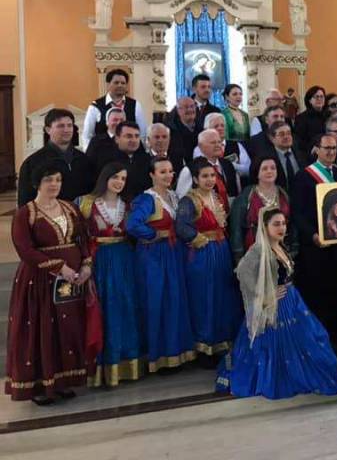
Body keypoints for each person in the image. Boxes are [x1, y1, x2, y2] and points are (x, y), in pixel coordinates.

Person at [216, 208, 337, 399]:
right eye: (276, 224)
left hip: (293, 302)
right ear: (265, 227)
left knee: (311, 339)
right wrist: (265, 295)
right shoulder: (259, 250)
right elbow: (242, 272)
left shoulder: (280, 246)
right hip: (274, 309)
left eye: (283, 223)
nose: (281, 228)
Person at [6, 161, 91, 404]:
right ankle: (42, 385)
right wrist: (58, 267)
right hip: (40, 282)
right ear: (37, 183)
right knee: (43, 329)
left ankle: (64, 381)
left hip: (70, 280)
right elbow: (25, 250)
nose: (54, 184)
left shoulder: (69, 208)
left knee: (67, 328)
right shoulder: (26, 213)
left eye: (57, 180)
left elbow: (82, 238)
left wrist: (86, 264)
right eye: (48, 180)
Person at [126, 157, 196, 372]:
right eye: (163, 172)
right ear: (152, 175)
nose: (168, 175)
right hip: (154, 256)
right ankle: (159, 356)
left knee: (175, 300)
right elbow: (132, 224)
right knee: (157, 301)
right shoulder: (148, 199)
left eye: (171, 171)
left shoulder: (174, 196)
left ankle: (176, 352)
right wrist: (153, 234)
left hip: (174, 254)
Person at [79, 163, 142, 387]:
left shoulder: (129, 205)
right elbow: (80, 236)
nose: (119, 182)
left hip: (124, 259)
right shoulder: (86, 203)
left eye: (123, 179)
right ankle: (100, 367)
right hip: (99, 261)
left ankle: (126, 363)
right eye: (115, 177)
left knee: (125, 307)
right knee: (103, 310)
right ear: (105, 177)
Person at [176, 158, 243, 360]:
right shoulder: (189, 200)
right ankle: (205, 347)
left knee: (224, 296)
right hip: (202, 255)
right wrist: (199, 239)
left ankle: (223, 343)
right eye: (204, 176)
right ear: (195, 178)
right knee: (204, 298)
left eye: (212, 175)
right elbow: (181, 226)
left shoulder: (216, 197)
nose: (209, 179)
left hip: (221, 251)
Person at [290, 135, 337, 351]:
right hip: (315, 246)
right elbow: (298, 213)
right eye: (327, 148)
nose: (331, 152)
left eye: (334, 148)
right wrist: (313, 235)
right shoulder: (304, 177)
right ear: (317, 149)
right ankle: (320, 341)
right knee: (319, 294)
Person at [18, 108, 94, 206]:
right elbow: (25, 201)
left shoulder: (83, 159)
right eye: (60, 126)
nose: (66, 130)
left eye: (69, 125)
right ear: (48, 130)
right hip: (49, 217)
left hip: (79, 216)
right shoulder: (33, 162)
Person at [229, 156, 290, 264]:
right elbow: (236, 228)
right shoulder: (246, 196)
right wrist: (238, 255)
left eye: (273, 168)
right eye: (264, 168)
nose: (269, 171)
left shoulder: (284, 194)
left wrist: (293, 248)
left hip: (282, 250)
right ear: (257, 172)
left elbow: (292, 224)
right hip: (254, 252)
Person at [82, 68, 147, 150]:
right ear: (108, 84)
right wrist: (89, 155)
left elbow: (142, 133)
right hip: (103, 154)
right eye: (116, 83)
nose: (120, 85)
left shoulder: (135, 105)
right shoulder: (95, 106)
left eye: (123, 83)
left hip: (128, 154)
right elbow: (87, 135)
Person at [177, 129, 240, 202]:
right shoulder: (190, 169)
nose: (217, 145)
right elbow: (181, 198)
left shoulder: (227, 164)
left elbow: (236, 192)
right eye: (213, 142)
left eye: (219, 142)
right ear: (201, 146)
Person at [96, 121, 151, 199]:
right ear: (117, 139)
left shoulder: (146, 160)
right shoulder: (105, 160)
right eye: (129, 136)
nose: (134, 140)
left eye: (137, 136)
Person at [198, 113, 251, 180]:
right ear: (206, 129)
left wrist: (230, 165)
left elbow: (248, 169)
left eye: (222, 125)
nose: (220, 128)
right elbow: (200, 171)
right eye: (216, 126)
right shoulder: (200, 148)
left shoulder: (236, 145)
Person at [262, 121, 306, 193]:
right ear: (272, 138)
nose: (286, 137)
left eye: (288, 133)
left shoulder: (302, 154)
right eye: (281, 134)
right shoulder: (266, 158)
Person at [167, 97, 199, 169]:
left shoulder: (201, 128)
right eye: (186, 107)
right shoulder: (171, 131)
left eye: (192, 106)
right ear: (178, 110)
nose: (190, 110)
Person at [293, 86, 327, 152]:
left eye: (322, 96)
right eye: (316, 97)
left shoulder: (328, 115)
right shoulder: (301, 118)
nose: (319, 99)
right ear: (310, 100)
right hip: (311, 152)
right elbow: (299, 140)